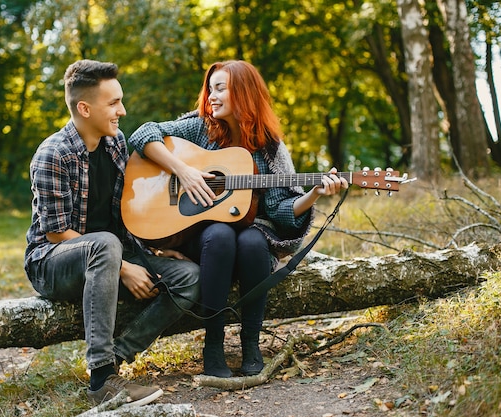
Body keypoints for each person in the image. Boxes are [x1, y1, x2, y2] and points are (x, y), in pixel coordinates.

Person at [128, 60, 348, 378]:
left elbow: (279, 212)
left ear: (243, 93)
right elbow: (143, 134)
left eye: (220, 88)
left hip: (246, 241)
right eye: (210, 89)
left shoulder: (269, 148)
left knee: (253, 241)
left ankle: (251, 345)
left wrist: (314, 194)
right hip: (199, 238)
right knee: (219, 235)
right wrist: (184, 171)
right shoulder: (199, 128)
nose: (211, 96)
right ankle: (213, 346)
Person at [24, 59, 200, 405]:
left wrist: (150, 253)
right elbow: (58, 234)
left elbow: (121, 213)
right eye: (114, 103)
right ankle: (101, 381)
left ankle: (116, 358)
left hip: (111, 253)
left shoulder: (115, 142)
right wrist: (123, 265)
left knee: (188, 276)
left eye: (120, 100)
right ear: (85, 108)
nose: (122, 110)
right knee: (104, 244)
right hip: (53, 264)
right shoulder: (53, 154)